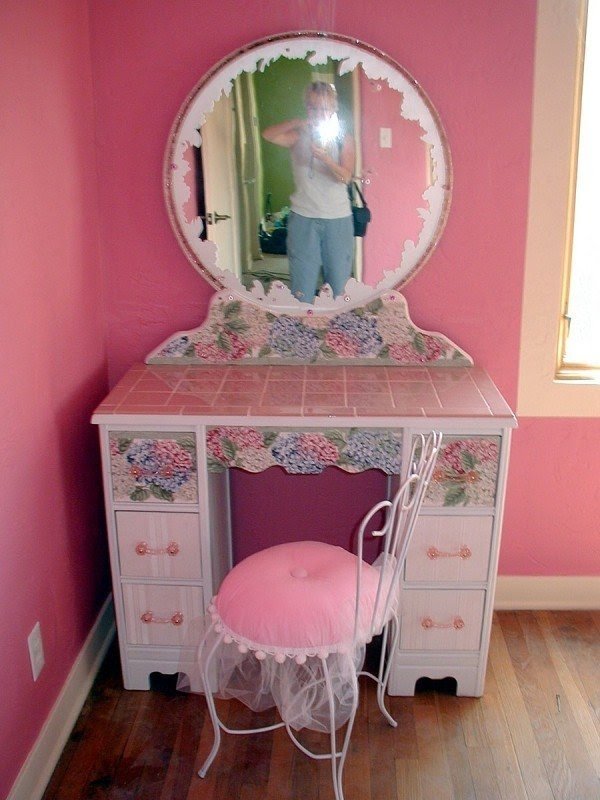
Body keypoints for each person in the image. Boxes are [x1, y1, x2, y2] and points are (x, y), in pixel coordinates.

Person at [262, 82, 355, 301]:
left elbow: (345, 177)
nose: (319, 113)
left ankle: (336, 334)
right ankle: (302, 333)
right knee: (301, 289)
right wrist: (298, 123)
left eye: (324, 108)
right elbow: (268, 134)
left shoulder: (344, 139)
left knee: (338, 289)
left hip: (338, 219)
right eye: (313, 107)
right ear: (307, 108)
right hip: (303, 218)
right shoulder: (297, 136)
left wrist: (325, 159)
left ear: (333, 110)